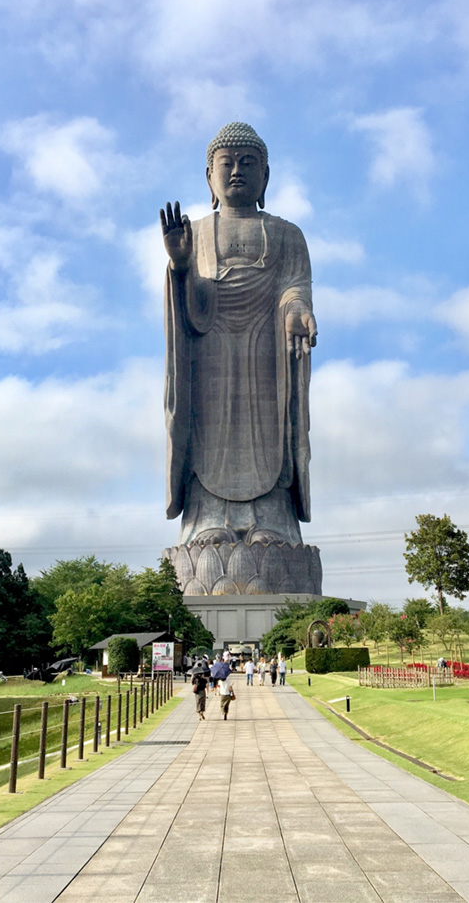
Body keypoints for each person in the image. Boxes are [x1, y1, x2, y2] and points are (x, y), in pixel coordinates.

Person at [160, 124, 321, 595]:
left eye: (247, 163)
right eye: (226, 162)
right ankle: (208, 520)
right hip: (211, 351)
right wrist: (181, 265)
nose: (236, 171)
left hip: (266, 355)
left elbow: (295, 285)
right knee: (209, 430)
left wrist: (298, 311)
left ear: (265, 175)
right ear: (208, 175)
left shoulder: (287, 235)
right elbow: (190, 303)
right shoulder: (196, 232)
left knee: (271, 428)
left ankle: (273, 521)